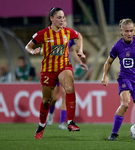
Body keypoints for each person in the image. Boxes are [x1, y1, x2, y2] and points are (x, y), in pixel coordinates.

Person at [25, 7, 87, 139]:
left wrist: (80, 51)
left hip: (64, 66)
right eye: (59, 17)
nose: (62, 20)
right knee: (47, 100)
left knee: (69, 88)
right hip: (48, 70)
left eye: (63, 17)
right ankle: (41, 126)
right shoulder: (42, 34)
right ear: (51, 19)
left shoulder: (67, 32)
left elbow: (79, 36)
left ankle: (70, 122)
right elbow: (28, 46)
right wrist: (33, 51)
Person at [46, 17, 88, 130]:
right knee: (54, 97)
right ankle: (50, 114)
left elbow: (72, 51)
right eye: (61, 21)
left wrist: (80, 63)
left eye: (65, 21)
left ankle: (61, 123)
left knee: (65, 95)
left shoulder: (68, 36)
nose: (63, 23)